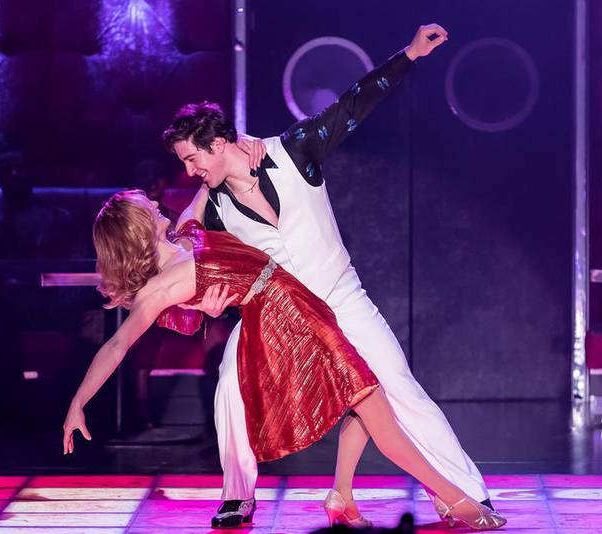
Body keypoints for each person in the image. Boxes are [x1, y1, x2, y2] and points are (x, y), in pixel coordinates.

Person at [163, 23, 498, 529]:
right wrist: (199, 200)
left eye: (192, 158)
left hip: (341, 297)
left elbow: (355, 102)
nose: (189, 169)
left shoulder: (295, 149)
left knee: (399, 384)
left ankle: (469, 491)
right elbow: (178, 235)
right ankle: (237, 495)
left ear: (217, 143)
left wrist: (409, 53)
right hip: (276, 314)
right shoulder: (212, 202)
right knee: (230, 380)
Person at [61, 189, 506, 530]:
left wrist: (234, 149)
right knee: (372, 402)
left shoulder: (183, 233)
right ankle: (456, 500)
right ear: (137, 229)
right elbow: (117, 345)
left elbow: (205, 182)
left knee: (364, 395)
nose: (156, 201)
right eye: (147, 206)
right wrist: (78, 403)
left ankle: (342, 497)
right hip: (284, 319)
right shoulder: (159, 289)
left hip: (295, 301)